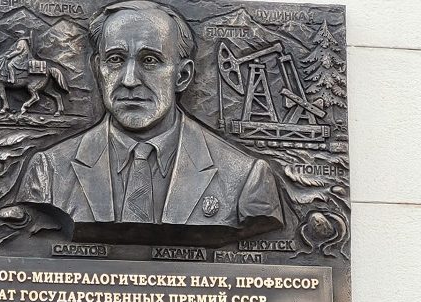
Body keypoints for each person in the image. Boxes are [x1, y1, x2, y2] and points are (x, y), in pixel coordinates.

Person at [17, 0, 283, 229]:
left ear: (182, 75)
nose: (129, 80)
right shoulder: (48, 171)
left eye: (150, 60)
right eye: (115, 59)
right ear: (98, 70)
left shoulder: (245, 178)